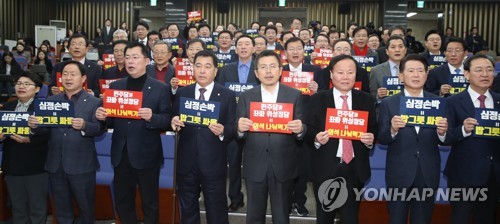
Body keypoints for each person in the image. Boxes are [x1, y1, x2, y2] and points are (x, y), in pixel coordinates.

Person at [95, 42, 171, 223]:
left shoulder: (160, 88)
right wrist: (102, 116)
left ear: (146, 61)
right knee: (123, 201)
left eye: (135, 57)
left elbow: (168, 119)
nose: (130, 61)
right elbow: (111, 120)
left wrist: (152, 117)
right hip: (121, 154)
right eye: (127, 57)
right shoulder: (115, 87)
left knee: (149, 202)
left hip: (147, 154)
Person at [28, 60, 105, 224]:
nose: (68, 78)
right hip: (56, 165)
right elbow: (44, 129)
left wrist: (85, 125)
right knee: (61, 210)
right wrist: (35, 126)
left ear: (83, 78)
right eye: (65, 74)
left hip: (82, 165)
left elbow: (100, 128)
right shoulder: (51, 100)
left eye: (73, 74)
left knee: (86, 209)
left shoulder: (94, 102)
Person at [305, 54, 377, 224]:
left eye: (350, 73)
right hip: (326, 168)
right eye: (340, 72)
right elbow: (307, 129)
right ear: (331, 74)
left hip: (355, 168)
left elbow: (374, 129)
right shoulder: (317, 99)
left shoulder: (366, 100)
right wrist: (316, 138)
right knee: (324, 218)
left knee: (351, 218)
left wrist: (370, 139)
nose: (345, 77)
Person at [378, 54, 450, 224]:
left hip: (427, 172)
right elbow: (382, 137)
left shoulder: (438, 103)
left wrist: (443, 132)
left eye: (420, 71)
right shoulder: (389, 103)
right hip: (399, 173)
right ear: (401, 76)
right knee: (396, 219)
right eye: (411, 71)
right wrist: (393, 130)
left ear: (427, 74)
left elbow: (447, 139)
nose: (416, 75)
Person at [237, 50, 305, 224]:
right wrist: (239, 129)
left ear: (281, 70)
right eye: (263, 67)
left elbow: (303, 128)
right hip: (255, 164)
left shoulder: (294, 95)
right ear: (256, 73)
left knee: (282, 216)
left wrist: (300, 129)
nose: (268, 71)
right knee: (253, 216)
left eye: (273, 67)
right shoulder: (246, 96)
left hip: (283, 164)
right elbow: (237, 132)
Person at [171, 50, 236, 224]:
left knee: (216, 209)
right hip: (186, 162)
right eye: (198, 66)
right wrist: (174, 121)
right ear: (192, 68)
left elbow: (233, 127)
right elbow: (173, 117)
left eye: (207, 67)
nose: (202, 71)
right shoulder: (183, 93)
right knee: (188, 209)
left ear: (215, 71)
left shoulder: (227, 95)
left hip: (213, 163)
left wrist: (223, 130)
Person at [445, 54, 499, 224]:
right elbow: (445, 137)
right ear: (466, 74)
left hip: (494, 175)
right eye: (479, 70)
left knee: (486, 218)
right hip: (463, 175)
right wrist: (463, 130)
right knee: (459, 218)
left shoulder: (498, 100)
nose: (485, 74)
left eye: (489, 70)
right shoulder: (452, 102)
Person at [215, 35, 258, 212]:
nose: (243, 47)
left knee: (255, 165)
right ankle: (235, 197)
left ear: (254, 48)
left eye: (247, 44)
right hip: (232, 122)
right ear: (235, 48)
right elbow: (219, 94)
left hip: (255, 124)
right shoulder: (225, 69)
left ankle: (256, 200)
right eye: (240, 44)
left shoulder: (260, 68)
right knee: (233, 164)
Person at [282, 37, 324, 217]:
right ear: (285, 53)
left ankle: (300, 201)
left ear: (304, 51)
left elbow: (324, 99)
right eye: (291, 48)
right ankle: (285, 201)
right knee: (284, 166)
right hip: (283, 125)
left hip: (306, 126)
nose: (295, 52)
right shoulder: (280, 71)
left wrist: (317, 91)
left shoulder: (315, 70)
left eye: (299, 48)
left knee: (302, 167)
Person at [1, 72, 49, 224]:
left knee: (37, 208)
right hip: (12, 165)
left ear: (37, 89)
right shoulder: (7, 106)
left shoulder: (43, 107)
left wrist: (30, 139)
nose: (21, 87)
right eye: (19, 83)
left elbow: (50, 134)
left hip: (35, 166)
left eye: (27, 84)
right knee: (18, 208)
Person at [369, 36, 407, 101]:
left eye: (400, 47)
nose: (397, 50)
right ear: (387, 51)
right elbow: (371, 95)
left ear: (405, 50)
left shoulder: (413, 70)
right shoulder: (376, 70)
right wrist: (378, 95)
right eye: (393, 47)